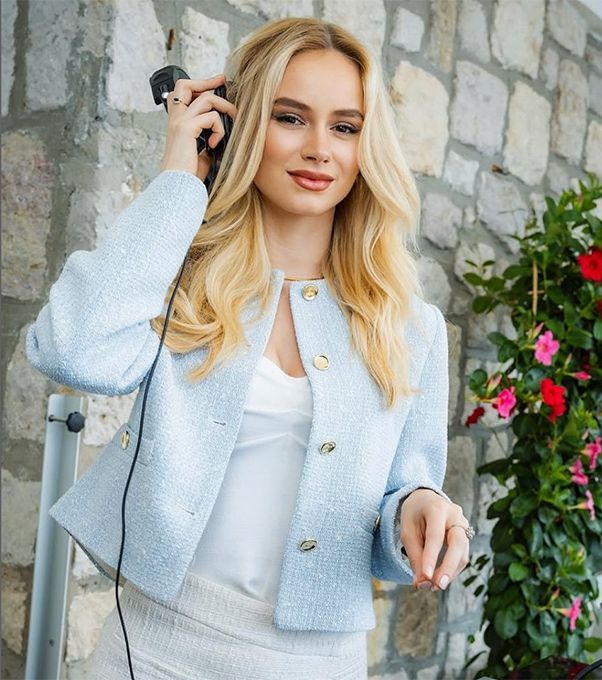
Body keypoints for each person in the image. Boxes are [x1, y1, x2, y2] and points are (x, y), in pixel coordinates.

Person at [25, 16, 473, 680]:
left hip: (317, 663)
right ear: (238, 126)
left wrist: (419, 506)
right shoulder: (179, 279)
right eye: (290, 118)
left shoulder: (411, 327)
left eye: (345, 127)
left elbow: (399, 497)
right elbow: (73, 350)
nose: (319, 149)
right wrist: (180, 178)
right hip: (151, 649)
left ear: (367, 146)